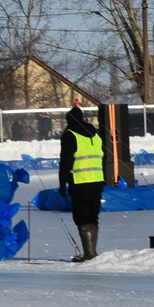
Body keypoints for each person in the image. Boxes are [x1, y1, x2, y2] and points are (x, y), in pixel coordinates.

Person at [58, 101, 104, 262]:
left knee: (82, 217)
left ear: (69, 121)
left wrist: (62, 183)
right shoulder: (96, 134)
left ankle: (89, 253)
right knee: (93, 217)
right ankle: (92, 251)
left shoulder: (70, 135)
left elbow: (66, 161)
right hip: (97, 181)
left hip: (80, 182)